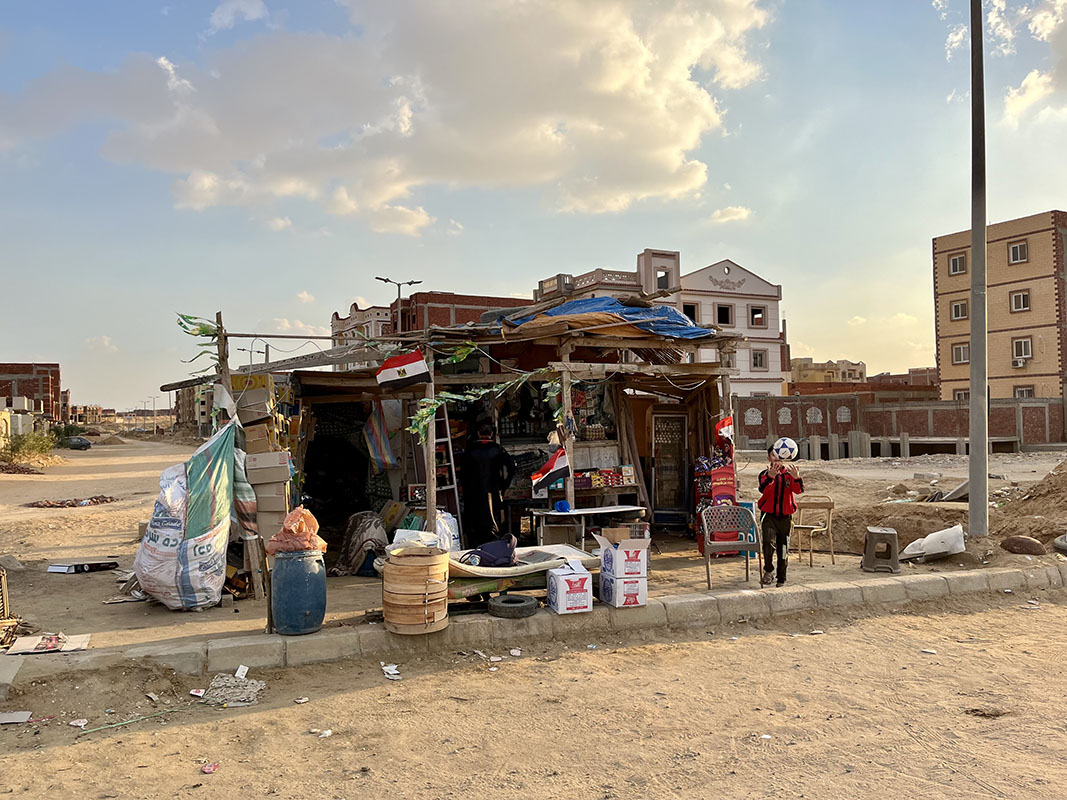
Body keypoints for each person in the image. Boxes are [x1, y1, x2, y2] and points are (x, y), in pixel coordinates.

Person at [459, 422, 516, 547]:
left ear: (478, 433)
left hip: (472, 494)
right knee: (492, 523)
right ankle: (493, 549)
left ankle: (474, 548)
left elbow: (462, 474)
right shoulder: (497, 449)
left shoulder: (469, 451)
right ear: (492, 434)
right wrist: (504, 485)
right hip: (492, 492)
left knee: (474, 523)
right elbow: (512, 467)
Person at [757, 446, 804, 587]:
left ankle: (781, 577)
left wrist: (797, 478)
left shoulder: (789, 474)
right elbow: (762, 490)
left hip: (785, 516)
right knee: (767, 543)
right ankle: (768, 570)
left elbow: (799, 490)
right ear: (769, 458)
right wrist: (771, 477)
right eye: (773, 455)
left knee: (783, 547)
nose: (776, 458)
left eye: (778, 455)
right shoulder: (764, 474)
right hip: (769, 515)